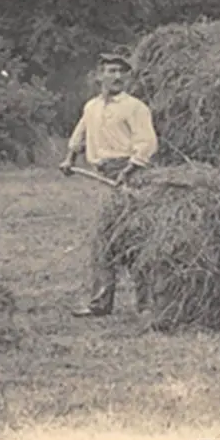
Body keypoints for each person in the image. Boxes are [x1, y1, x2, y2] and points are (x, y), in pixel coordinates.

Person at [61, 52, 159, 317]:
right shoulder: (91, 107)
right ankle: (100, 304)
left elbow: (147, 142)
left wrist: (130, 169)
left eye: (121, 72)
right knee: (103, 240)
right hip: (100, 174)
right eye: (111, 71)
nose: (116, 77)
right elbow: (80, 133)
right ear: (99, 75)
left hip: (129, 173)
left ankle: (146, 305)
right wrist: (70, 157)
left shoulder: (135, 107)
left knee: (136, 237)